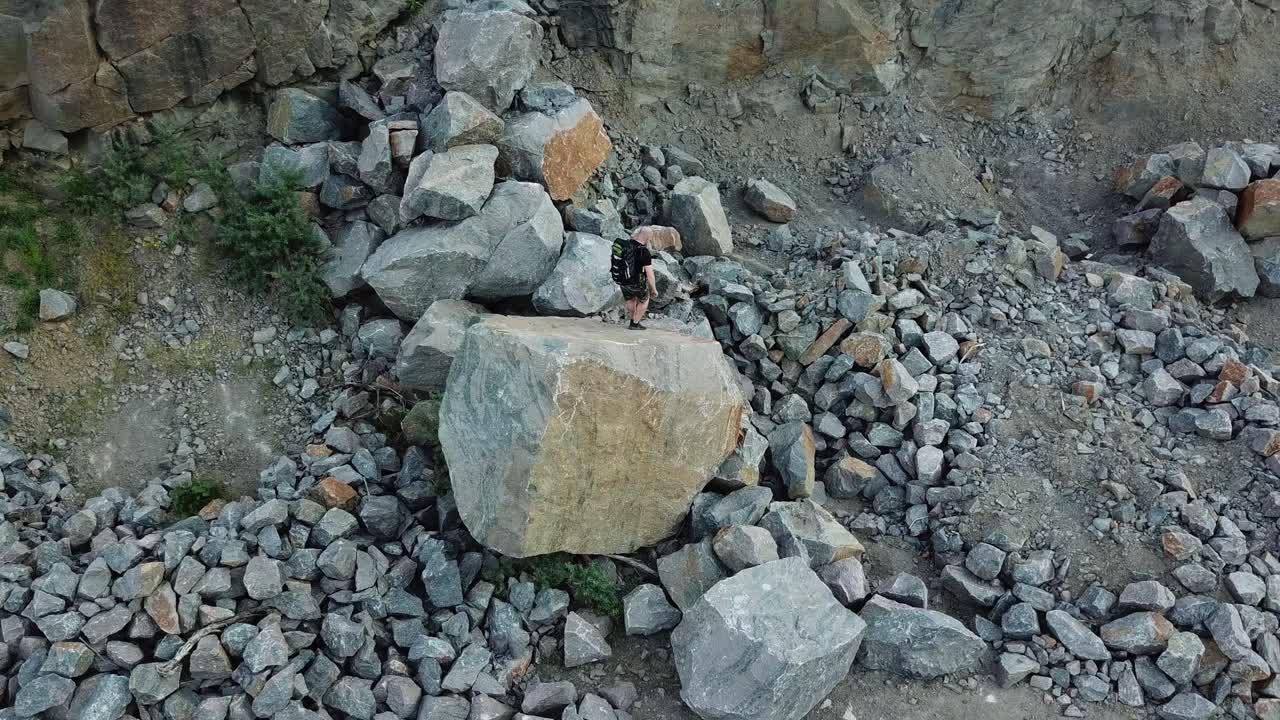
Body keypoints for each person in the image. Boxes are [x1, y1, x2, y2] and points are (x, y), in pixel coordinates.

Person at [613, 230, 658, 330]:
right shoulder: (644, 251)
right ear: (647, 238)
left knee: (630, 299)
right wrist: (654, 289)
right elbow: (650, 274)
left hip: (622, 280)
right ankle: (635, 323)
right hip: (636, 282)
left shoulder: (625, 245)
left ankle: (632, 319)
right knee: (644, 299)